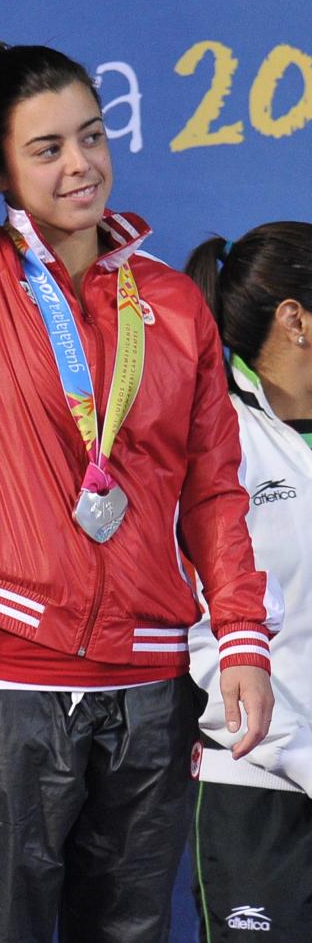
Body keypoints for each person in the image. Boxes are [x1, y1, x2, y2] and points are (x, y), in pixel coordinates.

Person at [0, 0, 281, 943]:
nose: (81, 165)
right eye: (48, 148)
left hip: (153, 687)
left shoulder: (168, 301)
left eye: (94, 134)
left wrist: (244, 642)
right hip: (4, 689)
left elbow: (214, 488)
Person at [185, 224, 312, 942]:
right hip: (256, 789)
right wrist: (302, 753)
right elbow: (201, 632)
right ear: (296, 319)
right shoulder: (211, 437)